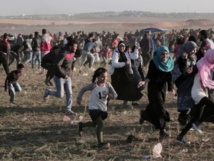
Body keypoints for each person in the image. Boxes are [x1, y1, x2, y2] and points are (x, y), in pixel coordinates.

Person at [176, 49, 214, 144]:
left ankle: (179, 137)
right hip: (197, 93)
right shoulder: (199, 65)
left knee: (194, 119)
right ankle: (198, 123)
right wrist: (188, 70)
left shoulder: (210, 66)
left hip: (203, 93)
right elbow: (187, 73)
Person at [76, 67, 118, 150]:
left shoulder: (108, 85)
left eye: (106, 77)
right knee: (100, 124)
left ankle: (82, 125)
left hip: (103, 109)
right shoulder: (94, 85)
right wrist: (79, 98)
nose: (104, 78)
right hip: (93, 109)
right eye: (102, 76)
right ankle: (100, 144)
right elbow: (83, 89)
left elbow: (116, 95)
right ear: (97, 77)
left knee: (95, 124)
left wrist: (111, 96)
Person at [139, 46, 175, 138]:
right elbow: (149, 76)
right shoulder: (154, 62)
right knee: (160, 109)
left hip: (162, 88)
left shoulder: (169, 63)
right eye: (163, 54)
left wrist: (171, 88)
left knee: (154, 105)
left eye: (166, 54)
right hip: (153, 88)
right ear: (159, 54)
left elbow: (169, 77)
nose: (165, 56)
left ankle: (145, 115)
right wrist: (144, 81)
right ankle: (162, 131)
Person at [43, 39, 78, 115]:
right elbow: (57, 65)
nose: (76, 48)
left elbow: (71, 63)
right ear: (70, 46)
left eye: (76, 46)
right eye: (74, 46)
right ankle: (48, 92)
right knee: (60, 95)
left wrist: (71, 72)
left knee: (69, 93)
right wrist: (63, 75)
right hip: (59, 77)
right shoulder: (63, 54)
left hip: (67, 76)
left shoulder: (72, 53)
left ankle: (68, 109)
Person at [109, 41, 143, 105]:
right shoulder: (116, 53)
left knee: (132, 85)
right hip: (119, 74)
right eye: (121, 46)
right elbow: (114, 63)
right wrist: (124, 63)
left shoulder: (126, 52)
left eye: (123, 46)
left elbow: (135, 56)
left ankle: (133, 100)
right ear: (118, 47)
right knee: (123, 87)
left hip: (128, 73)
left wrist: (136, 48)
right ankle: (125, 101)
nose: (122, 48)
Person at [172, 41, 198, 126]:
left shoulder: (193, 56)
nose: (194, 51)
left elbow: (194, 66)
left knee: (189, 97)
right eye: (192, 50)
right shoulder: (182, 56)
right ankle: (183, 117)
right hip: (180, 79)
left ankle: (184, 117)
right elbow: (182, 71)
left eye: (195, 50)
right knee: (185, 97)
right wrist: (184, 60)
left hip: (188, 79)